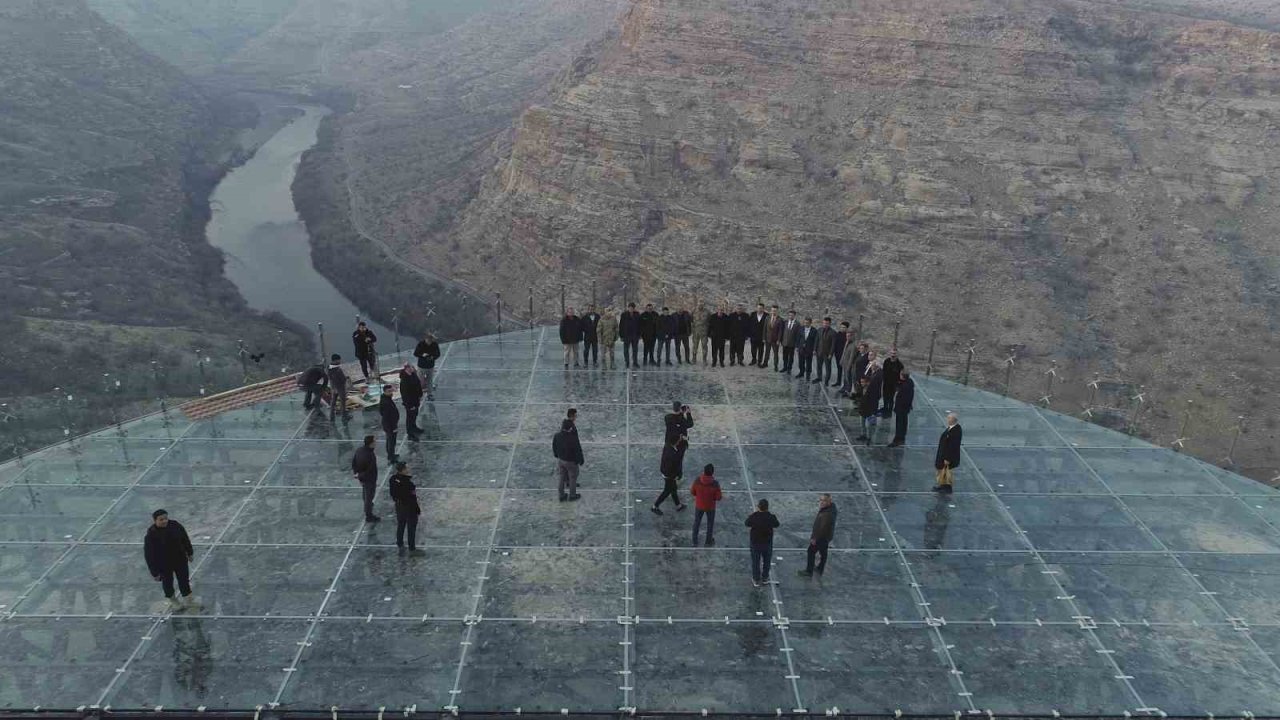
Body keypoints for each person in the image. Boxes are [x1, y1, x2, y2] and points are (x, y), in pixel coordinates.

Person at [144, 510, 198, 610]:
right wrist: (154, 572)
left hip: (180, 559)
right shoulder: (151, 535)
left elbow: (185, 539)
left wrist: (189, 552)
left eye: (166, 518)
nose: (164, 521)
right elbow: (149, 555)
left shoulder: (175, 525)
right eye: (161, 520)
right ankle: (174, 601)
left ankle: (188, 600)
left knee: (184, 580)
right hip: (164, 564)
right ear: (155, 520)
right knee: (167, 582)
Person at [798, 494, 838, 577]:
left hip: (821, 537)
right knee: (823, 552)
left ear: (829, 502)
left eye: (824, 501)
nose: (821, 502)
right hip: (826, 537)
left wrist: (814, 538)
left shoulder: (827, 514)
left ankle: (809, 571)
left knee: (811, 551)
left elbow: (822, 528)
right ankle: (820, 568)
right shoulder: (830, 509)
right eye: (821, 500)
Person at [388, 462, 422, 553]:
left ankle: (400, 543)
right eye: (406, 468)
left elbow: (392, 493)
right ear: (403, 470)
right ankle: (412, 548)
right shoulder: (408, 484)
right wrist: (417, 508)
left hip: (399, 506)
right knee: (411, 527)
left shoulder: (392, 479)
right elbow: (412, 498)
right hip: (409, 507)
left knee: (401, 524)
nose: (408, 469)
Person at [745, 499, 780, 588]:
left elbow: (747, 523)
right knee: (767, 561)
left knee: (756, 561)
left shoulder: (754, 516)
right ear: (767, 507)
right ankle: (765, 578)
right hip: (767, 542)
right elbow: (777, 524)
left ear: (759, 507)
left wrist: (753, 515)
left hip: (755, 543)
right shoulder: (771, 517)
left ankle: (756, 579)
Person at [652, 436, 689, 514]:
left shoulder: (668, 448)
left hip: (667, 473)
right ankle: (655, 506)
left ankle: (678, 505)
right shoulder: (673, 454)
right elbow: (673, 465)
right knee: (667, 491)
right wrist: (675, 476)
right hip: (669, 475)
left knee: (673, 488)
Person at [690, 464, 722, 546]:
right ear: (712, 473)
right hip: (710, 506)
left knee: (697, 522)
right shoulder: (715, 484)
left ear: (704, 471)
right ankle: (708, 541)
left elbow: (692, 492)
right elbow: (718, 497)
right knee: (710, 524)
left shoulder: (697, 480)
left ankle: (694, 541)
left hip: (699, 505)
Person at [351, 435, 381, 522]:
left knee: (365, 493)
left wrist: (357, 474)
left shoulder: (359, 450)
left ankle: (368, 506)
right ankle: (369, 515)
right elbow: (370, 470)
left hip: (362, 477)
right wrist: (360, 475)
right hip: (369, 479)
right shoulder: (370, 455)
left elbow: (354, 462)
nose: (376, 443)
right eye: (375, 441)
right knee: (369, 495)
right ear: (371, 444)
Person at [552, 418, 584, 501]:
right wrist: (580, 460)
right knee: (573, 478)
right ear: (570, 428)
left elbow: (554, 446)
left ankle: (561, 495)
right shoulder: (573, 438)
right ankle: (572, 495)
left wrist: (557, 455)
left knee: (562, 477)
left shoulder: (557, 435)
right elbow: (578, 450)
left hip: (561, 460)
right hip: (571, 462)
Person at [934, 413, 963, 494]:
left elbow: (953, 446)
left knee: (946, 472)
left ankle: (947, 487)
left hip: (948, 456)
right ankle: (942, 485)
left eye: (949, 418)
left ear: (954, 420)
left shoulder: (956, 430)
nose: (948, 419)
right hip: (943, 454)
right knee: (943, 471)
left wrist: (948, 458)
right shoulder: (951, 428)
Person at [855, 366, 883, 443]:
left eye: (863, 382)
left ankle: (869, 438)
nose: (861, 383)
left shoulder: (871, 390)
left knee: (868, 426)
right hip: (862, 409)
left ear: (867, 382)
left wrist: (873, 412)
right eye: (861, 382)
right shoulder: (861, 388)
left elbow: (874, 400)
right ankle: (863, 435)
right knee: (862, 424)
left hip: (869, 410)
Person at [888, 370, 915, 447]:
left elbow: (902, 397)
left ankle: (898, 439)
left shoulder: (904, 387)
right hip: (905, 407)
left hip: (901, 407)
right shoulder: (909, 383)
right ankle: (901, 437)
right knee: (903, 422)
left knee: (900, 423)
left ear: (902, 376)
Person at [412, 333, 441, 400]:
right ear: (425, 339)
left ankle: (430, 394)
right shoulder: (421, 344)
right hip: (421, 366)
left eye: (430, 341)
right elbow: (415, 353)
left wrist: (432, 357)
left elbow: (438, 354)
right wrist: (422, 355)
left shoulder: (434, 344)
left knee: (429, 381)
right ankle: (418, 394)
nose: (429, 342)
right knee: (419, 381)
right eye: (428, 341)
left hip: (430, 366)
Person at [399, 364, 423, 441]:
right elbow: (405, 394)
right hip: (410, 402)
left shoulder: (413, 375)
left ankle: (414, 427)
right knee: (410, 418)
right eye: (411, 367)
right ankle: (410, 433)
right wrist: (409, 405)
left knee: (415, 415)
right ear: (407, 369)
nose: (413, 368)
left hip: (416, 399)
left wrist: (420, 394)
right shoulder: (404, 380)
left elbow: (418, 384)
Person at [326, 354, 351, 421]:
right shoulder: (338, 370)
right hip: (340, 387)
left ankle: (331, 416)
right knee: (343, 402)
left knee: (333, 402)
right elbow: (343, 379)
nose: (340, 361)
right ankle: (344, 416)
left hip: (333, 387)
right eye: (339, 360)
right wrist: (346, 379)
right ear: (336, 360)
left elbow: (330, 378)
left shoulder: (329, 368)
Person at [379, 384, 400, 462]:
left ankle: (391, 454)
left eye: (391, 391)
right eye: (389, 391)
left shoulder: (387, 398)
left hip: (389, 424)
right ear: (384, 391)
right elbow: (386, 416)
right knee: (391, 441)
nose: (391, 393)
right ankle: (391, 457)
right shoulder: (386, 402)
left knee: (390, 440)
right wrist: (393, 427)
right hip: (390, 425)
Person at [814, 317, 837, 385]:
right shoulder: (819, 330)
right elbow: (816, 340)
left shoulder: (833, 333)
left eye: (826, 323)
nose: (825, 324)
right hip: (819, 351)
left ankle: (826, 381)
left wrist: (831, 354)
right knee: (819, 366)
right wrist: (815, 349)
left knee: (828, 368)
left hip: (827, 353)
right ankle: (819, 377)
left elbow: (833, 345)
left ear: (829, 324)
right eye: (824, 323)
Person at [882, 349, 905, 417]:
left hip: (893, 385)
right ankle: (885, 410)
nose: (893, 355)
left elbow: (901, 376)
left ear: (897, 355)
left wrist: (898, 385)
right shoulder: (886, 361)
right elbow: (883, 372)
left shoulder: (900, 365)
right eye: (892, 353)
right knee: (885, 398)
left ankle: (889, 412)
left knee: (891, 399)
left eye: (894, 354)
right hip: (886, 383)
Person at [838, 328, 859, 395]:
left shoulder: (853, 345)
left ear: (852, 336)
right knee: (845, 377)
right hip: (844, 362)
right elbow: (844, 352)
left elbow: (851, 357)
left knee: (848, 377)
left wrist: (849, 366)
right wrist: (841, 360)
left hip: (849, 364)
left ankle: (848, 390)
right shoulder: (847, 343)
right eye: (847, 336)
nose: (847, 337)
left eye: (849, 336)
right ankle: (844, 387)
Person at [620, 303, 641, 368]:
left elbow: (640, 325)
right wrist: (621, 336)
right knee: (626, 350)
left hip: (635, 335)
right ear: (628, 308)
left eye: (632, 308)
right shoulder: (624, 315)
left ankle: (635, 362)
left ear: (634, 308)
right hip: (626, 335)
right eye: (630, 308)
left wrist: (639, 334)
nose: (631, 309)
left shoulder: (637, 314)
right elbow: (621, 326)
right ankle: (627, 362)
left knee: (635, 350)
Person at [763, 305, 784, 369]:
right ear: (771, 311)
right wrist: (764, 338)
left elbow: (780, 331)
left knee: (775, 353)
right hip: (768, 339)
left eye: (775, 311)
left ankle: (775, 366)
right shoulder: (767, 318)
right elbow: (765, 329)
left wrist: (779, 340)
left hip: (775, 340)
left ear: (777, 311)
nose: (773, 312)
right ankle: (765, 363)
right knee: (767, 352)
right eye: (772, 311)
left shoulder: (780, 319)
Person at [749, 303, 769, 367]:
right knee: (753, 349)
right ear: (756, 308)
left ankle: (759, 361)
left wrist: (765, 336)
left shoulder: (767, 315)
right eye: (758, 308)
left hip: (762, 336)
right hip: (753, 335)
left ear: (763, 309)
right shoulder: (752, 314)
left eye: (761, 308)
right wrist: (750, 334)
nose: (759, 309)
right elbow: (749, 325)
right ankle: (754, 360)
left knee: (761, 350)